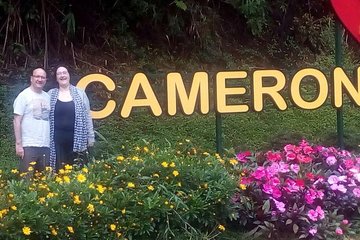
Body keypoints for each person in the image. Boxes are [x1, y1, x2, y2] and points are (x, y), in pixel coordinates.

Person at [48, 66, 95, 171]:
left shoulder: (80, 93)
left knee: (77, 169)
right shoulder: (50, 94)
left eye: (64, 72)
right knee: (59, 170)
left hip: (76, 139)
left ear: (69, 75)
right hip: (57, 140)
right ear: (56, 78)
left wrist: (90, 137)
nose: (62, 75)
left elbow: (87, 115)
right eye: (59, 73)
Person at [13, 68, 50, 175]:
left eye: (43, 77)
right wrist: (18, 144)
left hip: (45, 145)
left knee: (44, 182)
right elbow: (16, 121)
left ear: (45, 80)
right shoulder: (23, 96)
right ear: (31, 78)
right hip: (28, 145)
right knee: (26, 181)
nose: (40, 79)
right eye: (37, 76)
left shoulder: (47, 97)